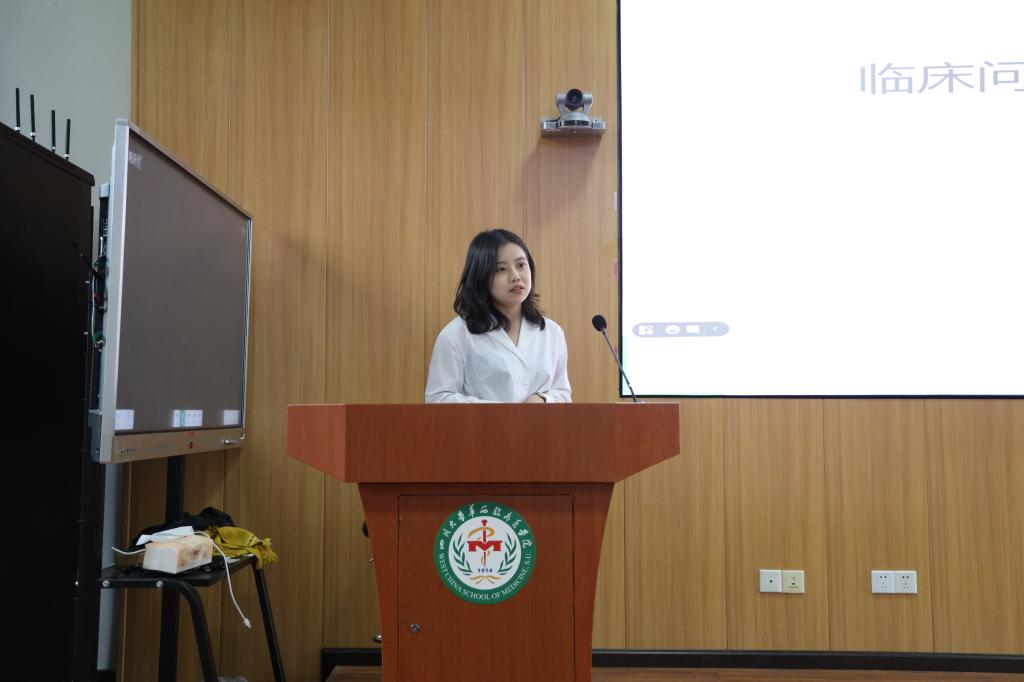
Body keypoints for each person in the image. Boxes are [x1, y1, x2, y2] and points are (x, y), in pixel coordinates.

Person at [425, 229, 571, 403]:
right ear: (481, 276)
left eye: (521, 265)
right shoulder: (455, 335)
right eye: (500, 269)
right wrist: (501, 413)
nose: (515, 276)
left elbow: (562, 392)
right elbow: (438, 398)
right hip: (482, 423)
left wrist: (543, 399)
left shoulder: (552, 332)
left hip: (540, 422)